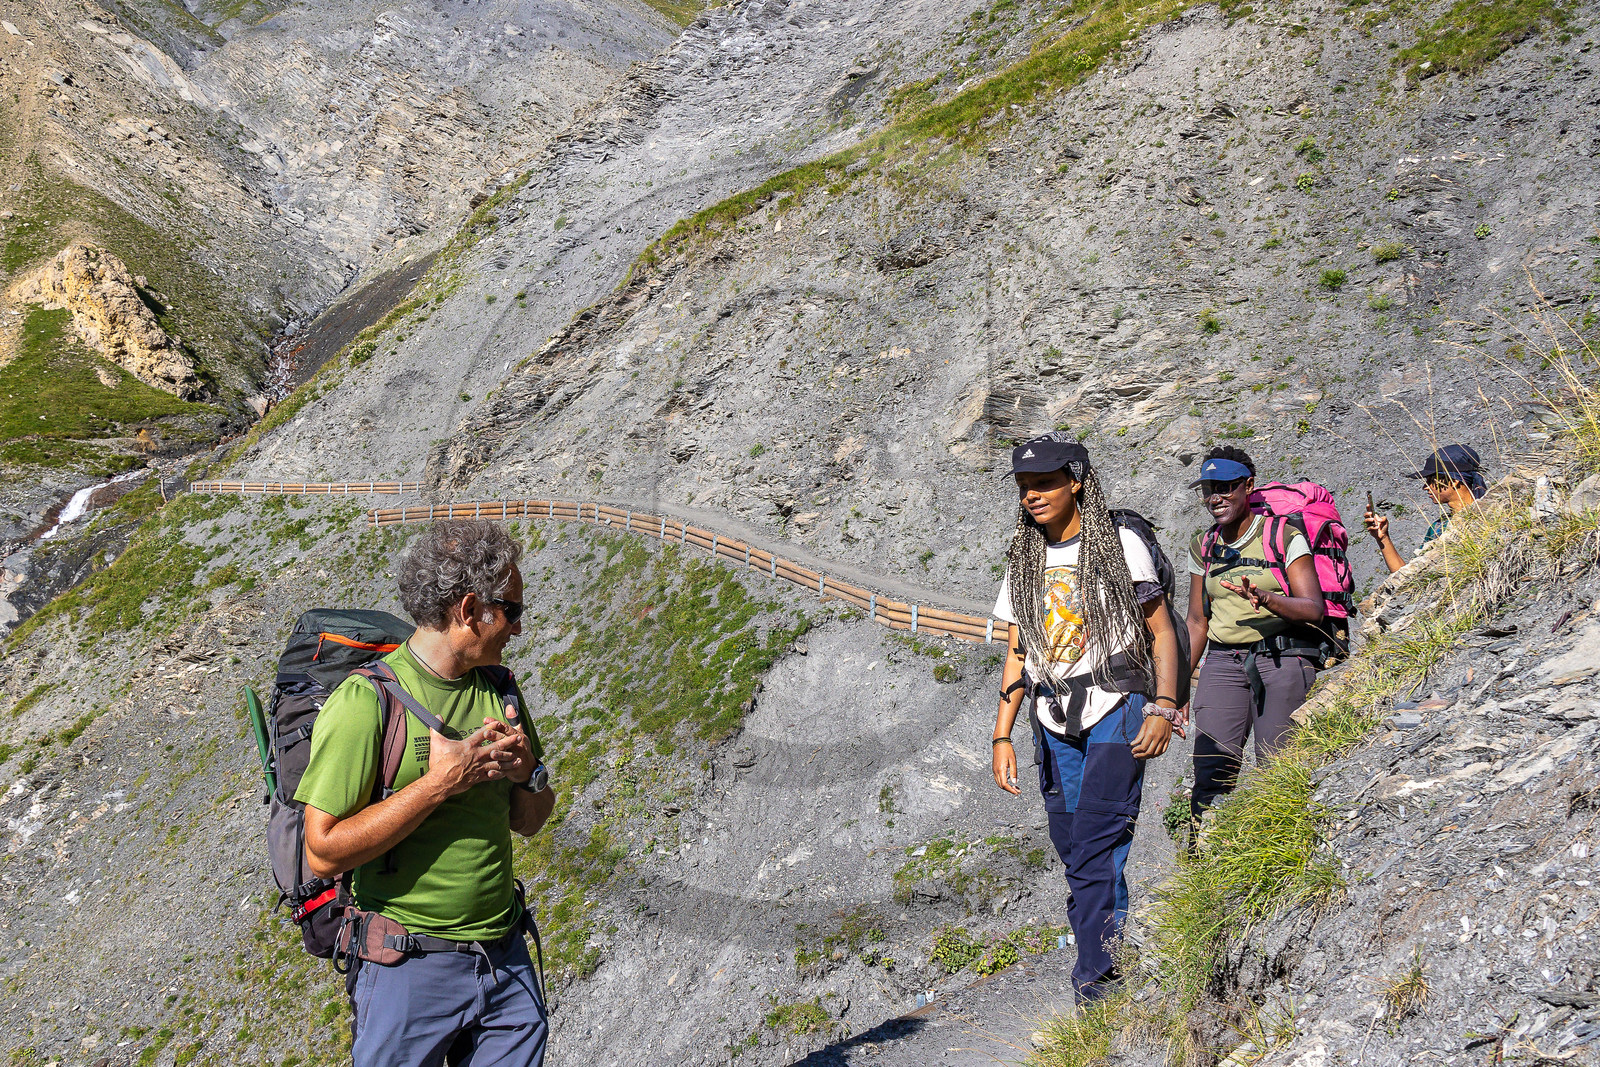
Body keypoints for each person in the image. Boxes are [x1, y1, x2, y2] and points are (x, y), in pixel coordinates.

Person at [296, 520, 555, 1067]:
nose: (517, 628)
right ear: (468, 610)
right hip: (408, 968)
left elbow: (530, 820)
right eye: (511, 610)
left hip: (505, 957)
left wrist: (528, 773)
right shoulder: (366, 702)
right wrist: (441, 784)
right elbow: (321, 852)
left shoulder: (500, 691)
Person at [988, 432, 1182, 1003]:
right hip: (1051, 714)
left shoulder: (1119, 544)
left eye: (1045, 482)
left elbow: (1161, 631)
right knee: (1074, 845)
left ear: (1076, 480)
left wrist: (1164, 707)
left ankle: (1097, 978)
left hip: (1116, 704)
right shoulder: (1023, 559)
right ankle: (1110, 951)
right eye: (1025, 486)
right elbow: (1019, 649)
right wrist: (1002, 734)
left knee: (1097, 841)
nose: (1033, 495)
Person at [1184, 446, 1326, 830]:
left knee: (1277, 766)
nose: (1216, 497)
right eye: (1209, 488)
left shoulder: (1282, 534)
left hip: (1281, 658)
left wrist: (1266, 598)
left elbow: (1313, 608)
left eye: (1226, 487)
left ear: (1248, 486)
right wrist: (1176, 689)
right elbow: (1197, 621)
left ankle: (1284, 851)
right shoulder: (1205, 545)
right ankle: (1207, 861)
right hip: (1222, 662)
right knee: (1211, 767)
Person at [1364, 444, 1488, 573]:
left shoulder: (1488, 519)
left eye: (1430, 480)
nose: (1425, 487)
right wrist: (1383, 537)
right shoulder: (1438, 527)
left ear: (1454, 480)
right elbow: (1410, 580)